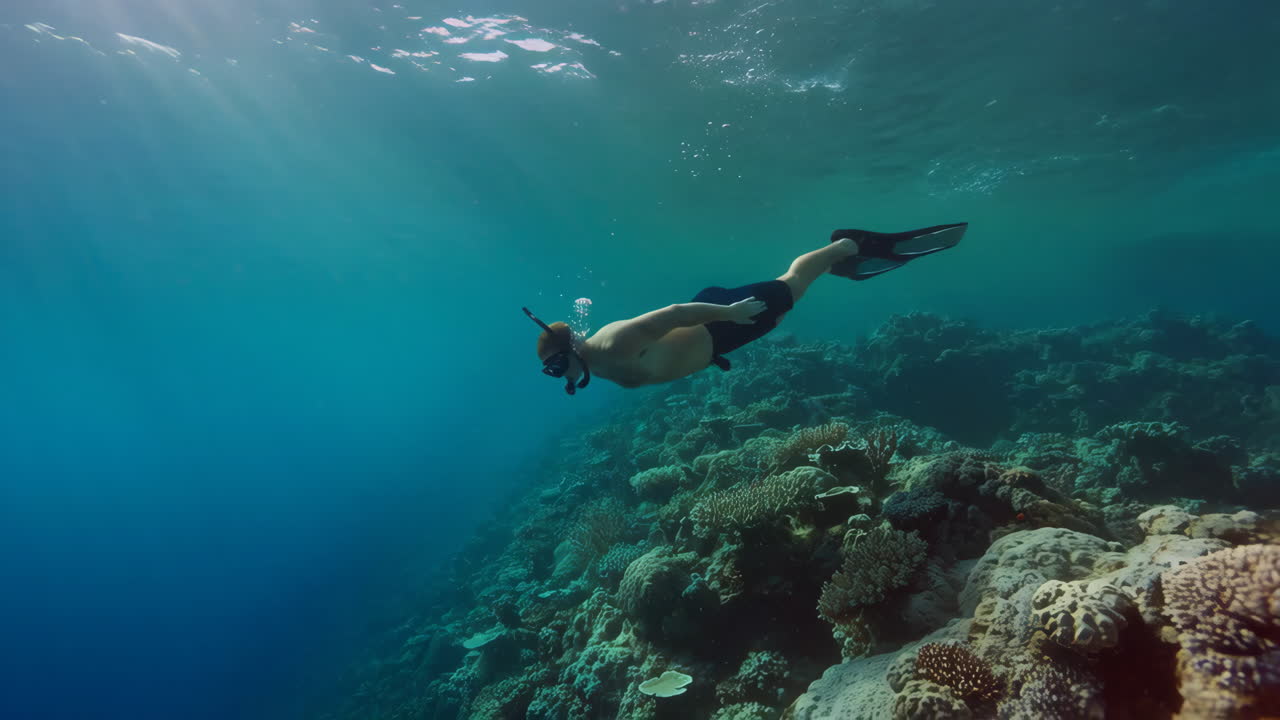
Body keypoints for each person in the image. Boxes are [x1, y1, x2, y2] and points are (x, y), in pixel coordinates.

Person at [524, 223, 966, 395]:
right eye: (551, 370)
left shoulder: (612, 344)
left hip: (717, 319)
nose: (558, 373)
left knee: (788, 288)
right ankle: (836, 265)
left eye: (555, 364)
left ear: (572, 347)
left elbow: (674, 313)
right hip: (716, 334)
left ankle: (849, 245)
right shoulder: (595, 364)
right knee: (783, 312)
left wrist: (729, 314)